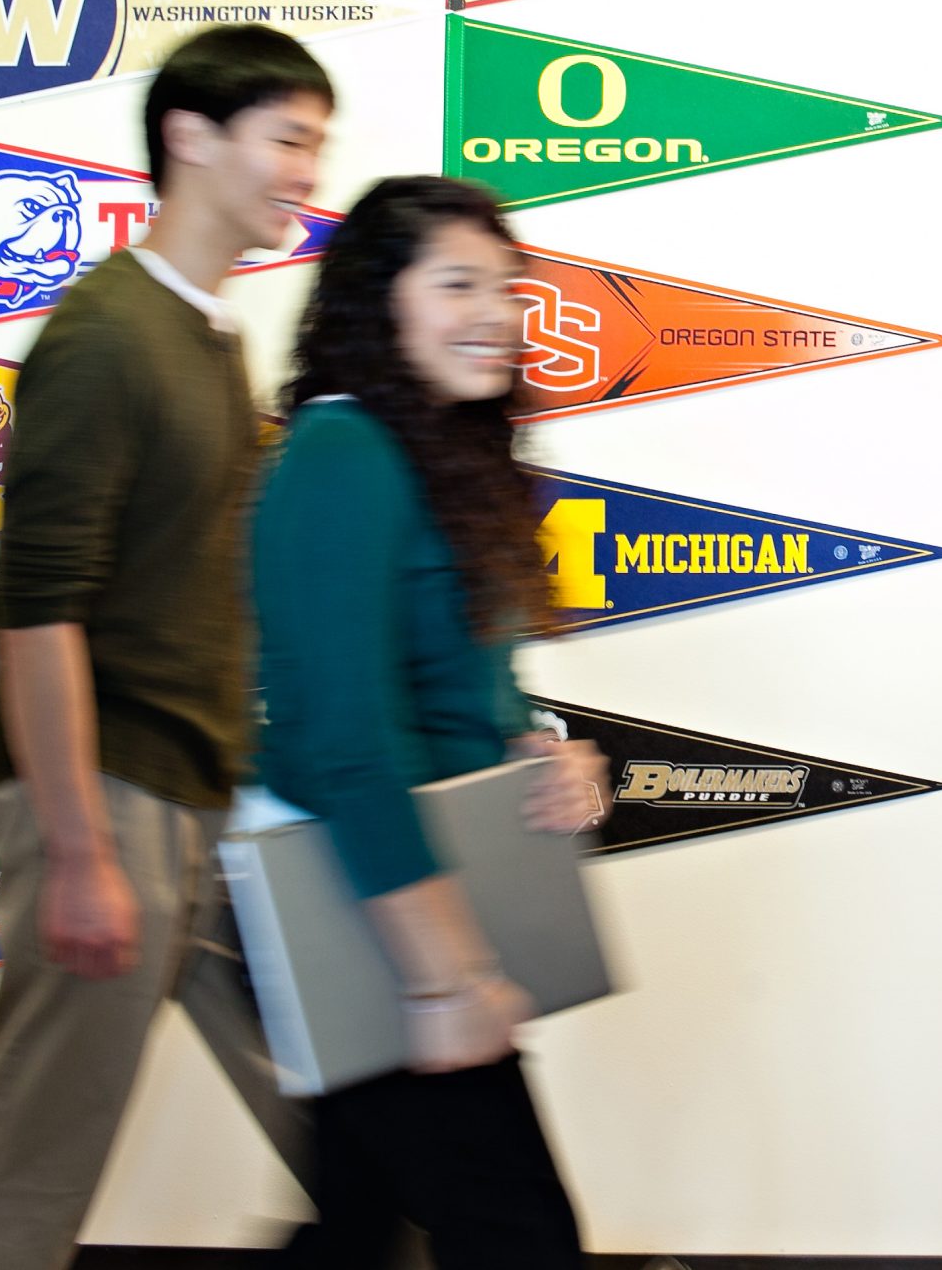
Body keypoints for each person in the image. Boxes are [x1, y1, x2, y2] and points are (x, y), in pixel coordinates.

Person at [0, 26, 332, 1270]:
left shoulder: (207, 331)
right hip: (110, 799)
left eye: (317, 144)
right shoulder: (109, 334)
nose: (308, 173)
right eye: (289, 139)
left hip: (200, 794)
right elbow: (38, 606)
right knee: (36, 1142)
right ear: (190, 138)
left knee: (358, 1114)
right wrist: (86, 854)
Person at [256, 176, 607, 1269]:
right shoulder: (340, 457)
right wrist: (444, 977)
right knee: (519, 1237)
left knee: (357, 1227)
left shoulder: (432, 452)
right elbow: (345, 743)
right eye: (457, 283)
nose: (496, 314)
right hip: (365, 911)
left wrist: (532, 749)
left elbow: (450, 689)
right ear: (377, 302)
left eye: (508, 288)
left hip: (404, 904)